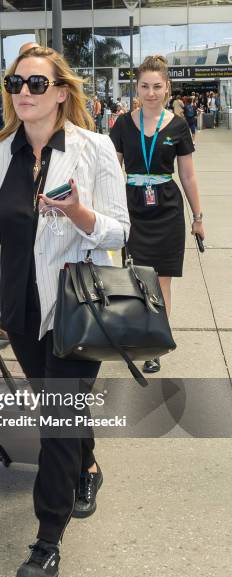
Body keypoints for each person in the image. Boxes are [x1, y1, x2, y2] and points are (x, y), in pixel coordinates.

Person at [0, 45, 129, 577]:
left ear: (62, 92)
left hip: (77, 309)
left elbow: (120, 230)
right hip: (19, 310)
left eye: (36, 84)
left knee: (57, 419)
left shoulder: (95, 148)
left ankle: (46, 543)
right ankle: (87, 467)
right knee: (60, 409)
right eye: (16, 84)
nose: (24, 94)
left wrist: (80, 213)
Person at [109, 55, 205, 374]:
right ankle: (139, 333)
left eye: (157, 86)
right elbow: (111, 170)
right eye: (144, 86)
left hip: (167, 209)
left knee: (160, 279)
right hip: (133, 208)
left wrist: (198, 217)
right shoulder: (122, 124)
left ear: (167, 88)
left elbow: (188, 176)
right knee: (137, 278)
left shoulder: (178, 126)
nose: (151, 92)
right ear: (136, 88)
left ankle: (155, 343)